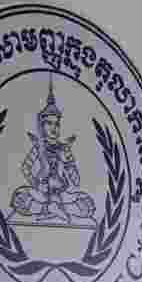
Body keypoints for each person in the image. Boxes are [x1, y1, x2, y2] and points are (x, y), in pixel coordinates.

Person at [10, 77, 96, 226]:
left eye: (56, 124)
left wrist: (68, 162)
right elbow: (25, 167)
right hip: (42, 193)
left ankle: (51, 208)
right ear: (42, 126)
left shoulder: (64, 149)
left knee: (86, 205)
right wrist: (36, 183)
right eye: (49, 123)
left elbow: (76, 181)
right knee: (20, 198)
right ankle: (50, 208)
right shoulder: (38, 147)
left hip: (62, 194)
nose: (53, 128)